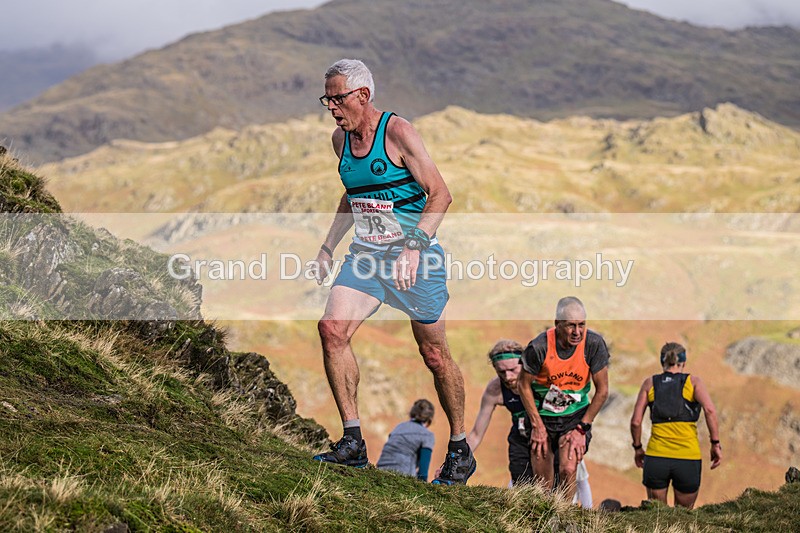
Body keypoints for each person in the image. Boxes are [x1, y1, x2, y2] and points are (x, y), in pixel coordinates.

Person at [311, 59, 476, 485]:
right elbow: (353, 197)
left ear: (363, 96)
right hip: (365, 258)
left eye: (337, 97)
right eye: (326, 98)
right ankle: (352, 443)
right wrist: (328, 246)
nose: (331, 106)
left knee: (435, 355)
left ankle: (460, 449)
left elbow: (440, 194)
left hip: (416, 260)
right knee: (332, 329)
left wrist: (414, 247)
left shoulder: (398, 132)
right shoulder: (339, 140)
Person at [517, 296, 610, 503]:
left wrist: (582, 429)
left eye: (582, 325)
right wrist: (537, 426)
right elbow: (522, 385)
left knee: (568, 469)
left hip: (575, 417)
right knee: (543, 482)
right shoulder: (539, 347)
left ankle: (564, 515)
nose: (577, 332)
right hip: (542, 415)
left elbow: (602, 391)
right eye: (571, 326)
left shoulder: (593, 344)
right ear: (558, 324)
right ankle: (542, 518)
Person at [630, 342, 722, 509]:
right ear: (683, 363)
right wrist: (715, 444)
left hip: (656, 457)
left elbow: (636, 422)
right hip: (687, 459)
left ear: (662, 362)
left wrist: (637, 448)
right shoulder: (693, 382)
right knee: (683, 519)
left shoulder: (650, 383)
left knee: (657, 517)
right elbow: (709, 410)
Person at [467, 339, 534, 486]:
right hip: (520, 438)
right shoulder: (495, 389)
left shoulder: (538, 379)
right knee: (521, 483)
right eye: (501, 372)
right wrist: (454, 461)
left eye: (512, 370)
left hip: (548, 435)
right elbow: (476, 434)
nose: (508, 377)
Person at [377, 399, 436, 481]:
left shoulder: (399, 427)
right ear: (429, 419)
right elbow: (423, 472)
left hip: (379, 472)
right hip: (403, 476)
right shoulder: (427, 435)